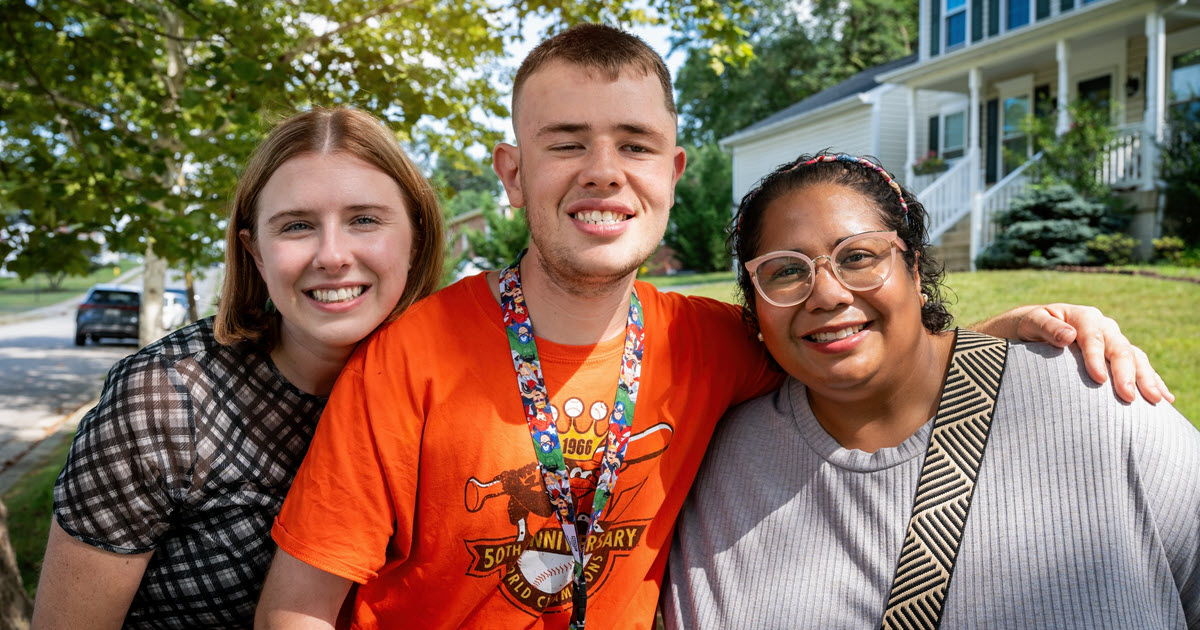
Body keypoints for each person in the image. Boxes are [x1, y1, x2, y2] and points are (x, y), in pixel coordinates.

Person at [256, 25, 1169, 630]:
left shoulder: (719, 341)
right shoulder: (411, 356)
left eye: (636, 144)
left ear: (675, 169)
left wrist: (1001, 336)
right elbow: (298, 606)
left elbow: (861, 344)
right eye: (565, 141)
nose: (603, 172)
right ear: (511, 171)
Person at [665, 153, 1199, 629]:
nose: (826, 294)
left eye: (857, 256)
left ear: (915, 271)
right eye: (785, 271)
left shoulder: (1095, 405)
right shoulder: (712, 470)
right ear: (755, 307)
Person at [31, 107, 444, 629]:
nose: (333, 255)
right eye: (297, 226)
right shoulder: (164, 402)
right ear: (255, 253)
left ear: (416, 236)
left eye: (364, 219)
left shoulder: (453, 384)